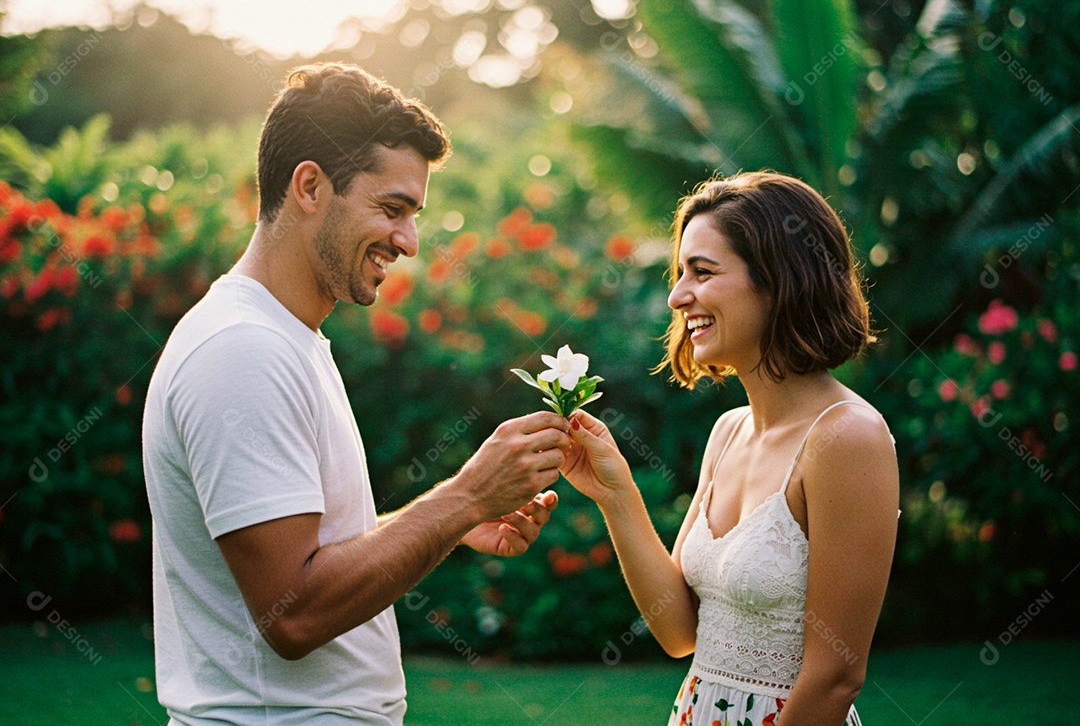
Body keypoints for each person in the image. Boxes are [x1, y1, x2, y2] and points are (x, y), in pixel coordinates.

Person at [141, 62, 570, 724]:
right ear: (310, 186)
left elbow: (313, 557)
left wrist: (457, 520)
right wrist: (467, 494)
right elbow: (295, 611)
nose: (409, 241)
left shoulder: (287, 339)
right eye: (391, 209)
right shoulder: (242, 351)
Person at [562, 172, 898, 725]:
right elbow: (679, 633)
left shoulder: (847, 437)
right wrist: (614, 492)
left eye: (703, 271)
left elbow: (836, 679)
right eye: (679, 273)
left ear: (778, 280)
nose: (676, 296)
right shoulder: (728, 433)